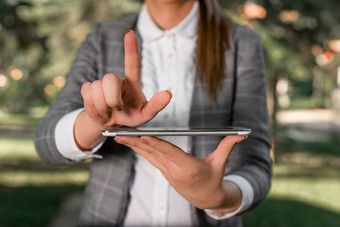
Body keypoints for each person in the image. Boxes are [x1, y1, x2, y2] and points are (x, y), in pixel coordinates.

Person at [35, 0, 272, 226]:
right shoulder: (102, 37)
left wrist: (220, 197)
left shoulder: (242, 41)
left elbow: (257, 165)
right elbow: (47, 144)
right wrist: (97, 120)